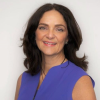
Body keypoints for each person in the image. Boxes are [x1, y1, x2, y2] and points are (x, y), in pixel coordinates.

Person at [15, 3, 96, 100]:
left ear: (67, 37)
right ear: (34, 34)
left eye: (59, 29)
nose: (50, 35)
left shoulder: (80, 81)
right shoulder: (23, 79)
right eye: (43, 27)